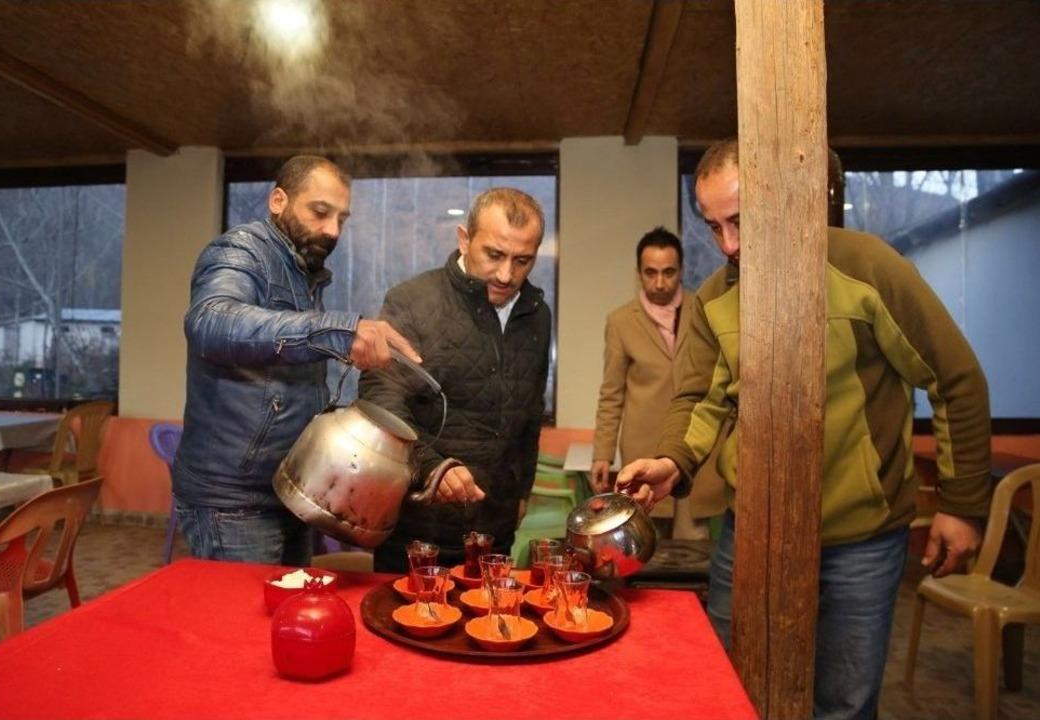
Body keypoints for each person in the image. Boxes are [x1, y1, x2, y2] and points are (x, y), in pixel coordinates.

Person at [617, 139, 991, 719]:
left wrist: (962, 504)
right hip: (750, 533)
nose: (729, 245)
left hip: (860, 540)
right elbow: (700, 398)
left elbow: (955, 378)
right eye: (714, 227)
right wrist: (671, 461)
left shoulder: (868, 268)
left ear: (785, 198)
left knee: (842, 703)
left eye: (740, 221)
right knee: (726, 687)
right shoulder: (716, 298)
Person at [172, 155, 421, 568]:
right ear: (278, 201)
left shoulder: (304, 274)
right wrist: (339, 331)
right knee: (241, 627)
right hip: (234, 500)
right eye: (320, 212)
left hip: (290, 489)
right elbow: (210, 320)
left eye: (342, 218)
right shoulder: (241, 250)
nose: (332, 230)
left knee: (283, 616)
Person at [359, 187, 551, 572]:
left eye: (522, 260)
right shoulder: (412, 301)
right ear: (464, 239)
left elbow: (530, 413)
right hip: (415, 528)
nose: (506, 274)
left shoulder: (537, 315)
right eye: (494, 255)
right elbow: (381, 399)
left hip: (494, 531)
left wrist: (521, 491)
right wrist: (433, 467)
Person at [589, 227, 720, 538]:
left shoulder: (705, 312)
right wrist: (602, 454)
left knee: (695, 553)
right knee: (644, 550)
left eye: (668, 272)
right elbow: (611, 393)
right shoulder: (621, 321)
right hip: (642, 454)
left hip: (692, 456)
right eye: (651, 273)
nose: (660, 282)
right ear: (638, 273)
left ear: (681, 271)